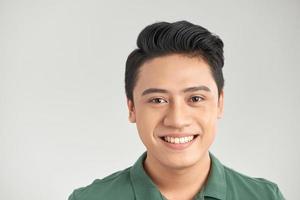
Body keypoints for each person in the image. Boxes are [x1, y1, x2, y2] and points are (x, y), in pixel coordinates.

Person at [68, 20, 285, 200]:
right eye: (158, 100)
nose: (177, 120)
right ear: (132, 108)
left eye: (196, 98)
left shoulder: (264, 196)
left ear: (220, 103)